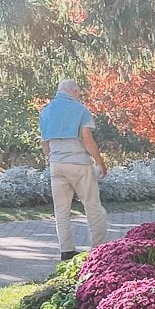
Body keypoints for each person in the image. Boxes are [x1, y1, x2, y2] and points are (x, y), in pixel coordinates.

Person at [38, 79, 107, 261]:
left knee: (61, 210)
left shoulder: (45, 112)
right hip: (78, 164)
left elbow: (45, 143)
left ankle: (67, 251)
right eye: (78, 92)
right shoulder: (80, 110)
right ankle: (99, 250)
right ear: (74, 91)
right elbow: (86, 138)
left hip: (56, 165)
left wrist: (51, 158)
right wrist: (99, 162)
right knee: (93, 207)